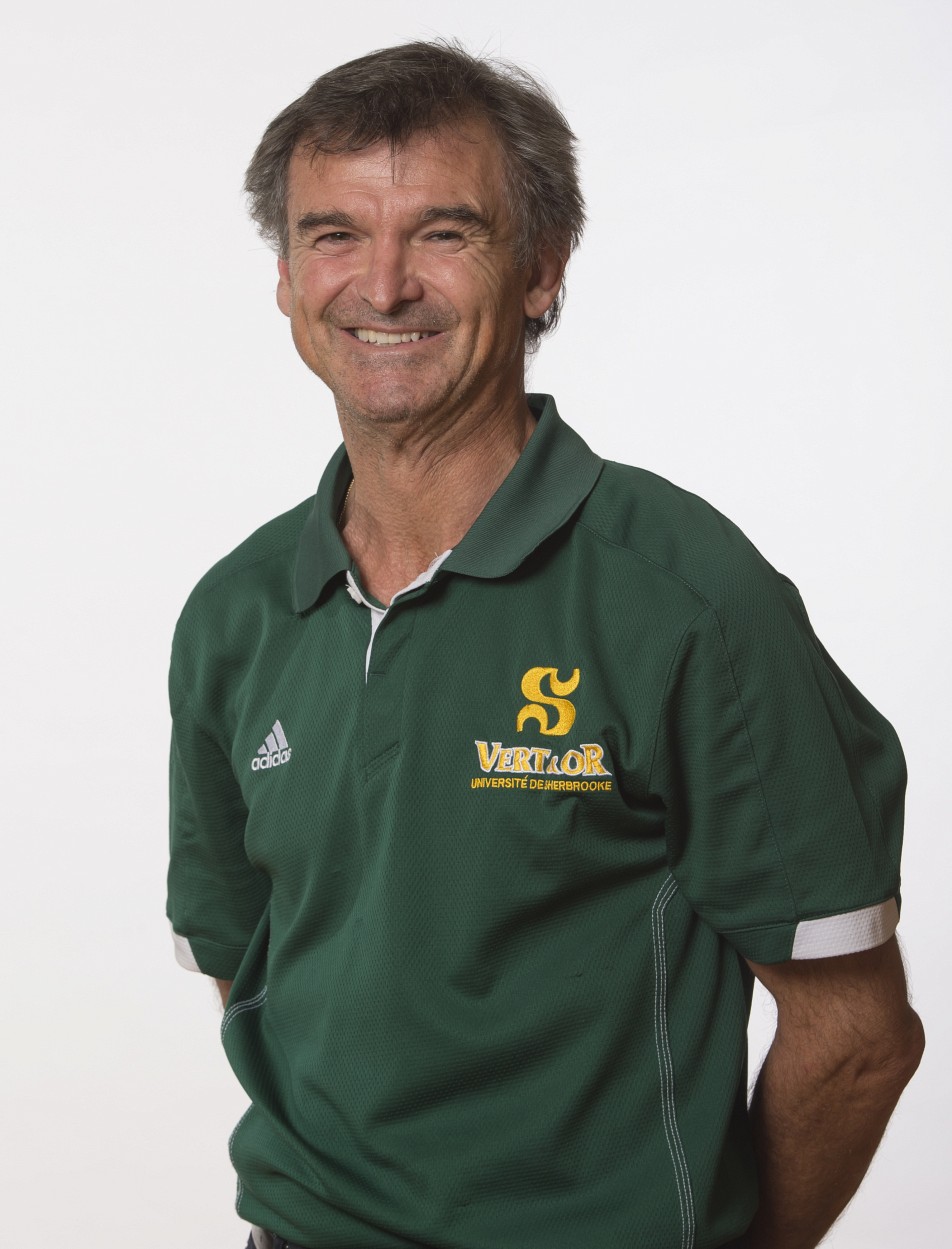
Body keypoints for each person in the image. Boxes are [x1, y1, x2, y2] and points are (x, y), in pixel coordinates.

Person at [167, 40, 924, 1249]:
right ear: (287, 276)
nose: (383, 285)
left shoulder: (686, 599)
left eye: (444, 232)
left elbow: (857, 1036)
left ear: (541, 268)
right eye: (334, 234)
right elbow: (253, 963)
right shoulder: (235, 612)